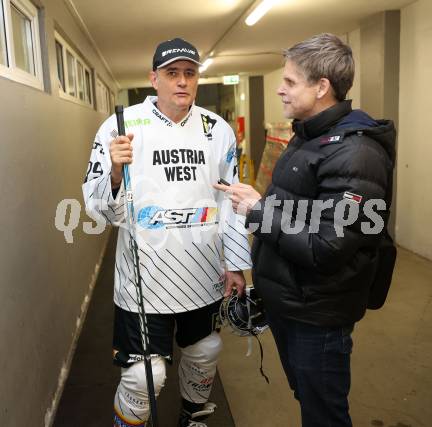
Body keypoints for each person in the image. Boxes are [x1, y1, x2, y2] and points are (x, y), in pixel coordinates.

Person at [214, 33, 396, 427]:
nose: (279, 90)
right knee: (309, 398)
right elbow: (301, 211)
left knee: (324, 414)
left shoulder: (357, 154)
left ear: (322, 87)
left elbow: (330, 244)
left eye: (290, 81)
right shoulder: (308, 136)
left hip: (318, 313)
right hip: (291, 303)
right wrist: (259, 201)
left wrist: (260, 210)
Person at [83, 37, 251, 427]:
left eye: (189, 74)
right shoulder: (120, 127)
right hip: (144, 279)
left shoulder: (218, 130)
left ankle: (193, 416)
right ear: (153, 78)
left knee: (206, 350)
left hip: (203, 274)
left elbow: (233, 202)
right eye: (172, 73)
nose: (182, 82)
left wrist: (236, 264)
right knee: (145, 377)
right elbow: (96, 209)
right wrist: (115, 171)